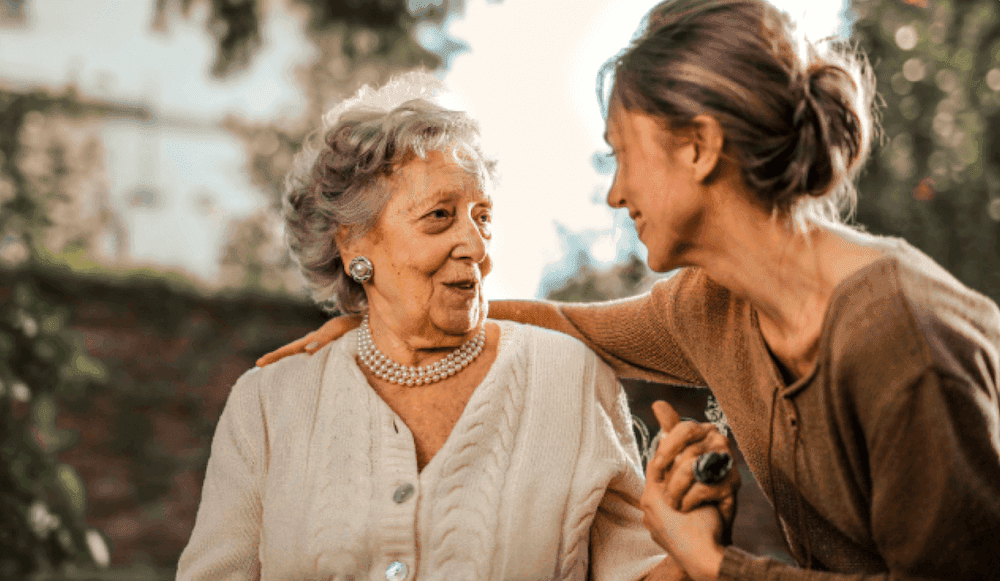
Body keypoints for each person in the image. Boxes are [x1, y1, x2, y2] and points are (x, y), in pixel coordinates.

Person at [257, 1, 1000, 580]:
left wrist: (712, 562)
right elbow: (566, 325)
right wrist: (385, 321)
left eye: (622, 155)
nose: (615, 193)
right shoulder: (714, 305)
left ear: (699, 147)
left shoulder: (900, 339)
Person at [177, 71, 738, 581]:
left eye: (483, 217)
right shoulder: (268, 405)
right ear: (353, 245)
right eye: (439, 216)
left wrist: (692, 540)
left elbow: (636, 572)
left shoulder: (571, 379)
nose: (475, 246)